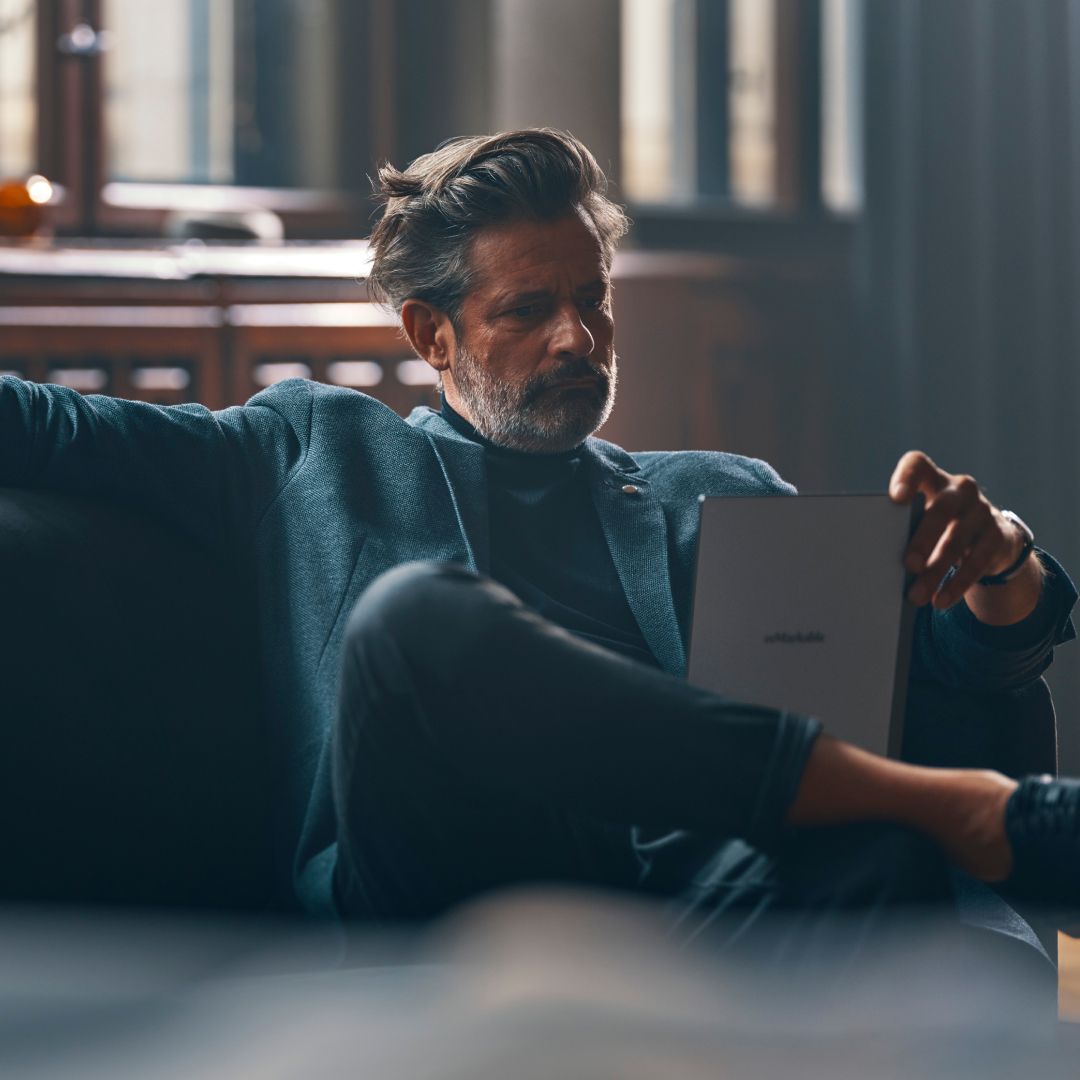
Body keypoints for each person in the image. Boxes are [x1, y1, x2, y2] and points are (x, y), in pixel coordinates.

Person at [0, 130, 1076, 955]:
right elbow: (45, 426)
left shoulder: (722, 493)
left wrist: (1001, 562)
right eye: (527, 311)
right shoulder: (311, 449)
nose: (578, 338)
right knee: (416, 617)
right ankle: (961, 815)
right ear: (432, 335)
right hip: (449, 898)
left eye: (591, 300)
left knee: (879, 855)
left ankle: (920, 826)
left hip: (699, 913)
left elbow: (942, 672)